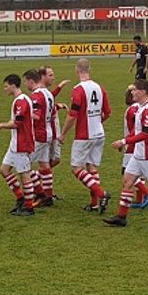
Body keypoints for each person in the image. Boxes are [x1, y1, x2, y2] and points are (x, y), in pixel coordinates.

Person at [103, 79, 148, 229]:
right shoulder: (141, 108)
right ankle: (121, 217)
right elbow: (137, 131)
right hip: (138, 154)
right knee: (127, 182)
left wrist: (124, 141)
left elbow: (145, 134)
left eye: (134, 90)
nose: (132, 92)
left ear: (143, 92)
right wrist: (127, 140)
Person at [60, 58, 111, 213]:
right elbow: (107, 112)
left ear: (76, 70)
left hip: (85, 135)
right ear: (90, 69)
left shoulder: (78, 90)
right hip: (99, 133)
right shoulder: (100, 88)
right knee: (91, 166)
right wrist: (96, 121)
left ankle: (102, 194)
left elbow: (72, 115)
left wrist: (63, 134)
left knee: (76, 168)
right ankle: (94, 203)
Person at [0, 74, 37, 217]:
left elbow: (17, 123)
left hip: (22, 143)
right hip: (15, 143)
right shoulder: (20, 100)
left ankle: (29, 207)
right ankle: (20, 198)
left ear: (13, 85)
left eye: (6, 86)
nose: (5, 89)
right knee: (4, 170)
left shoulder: (21, 101)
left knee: (24, 175)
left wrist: (1, 125)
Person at [24, 69, 57, 207]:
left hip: (39, 134)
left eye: (26, 81)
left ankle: (41, 193)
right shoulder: (48, 93)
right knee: (44, 165)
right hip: (48, 132)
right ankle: (48, 196)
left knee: (24, 165)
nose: (25, 84)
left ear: (31, 81)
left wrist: (23, 114)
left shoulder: (36, 95)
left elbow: (36, 116)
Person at [118, 85, 148, 210]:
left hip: (132, 145)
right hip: (137, 144)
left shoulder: (131, 110)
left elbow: (133, 130)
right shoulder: (139, 108)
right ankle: (139, 200)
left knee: (127, 174)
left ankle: (146, 193)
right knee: (138, 174)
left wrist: (125, 142)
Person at [40, 65, 71, 182]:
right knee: (49, 161)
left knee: (55, 159)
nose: (53, 77)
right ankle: (40, 182)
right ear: (42, 76)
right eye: (50, 75)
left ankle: (41, 180)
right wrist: (60, 87)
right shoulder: (41, 92)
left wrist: (57, 106)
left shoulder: (46, 92)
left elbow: (49, 104)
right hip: (49, 132)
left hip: (54, 131)